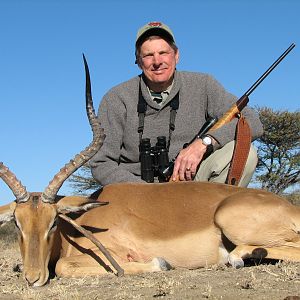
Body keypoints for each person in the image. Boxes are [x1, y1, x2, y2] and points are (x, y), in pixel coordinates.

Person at [90, 21, 263, 187]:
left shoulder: (203, 84)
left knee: (245, 152)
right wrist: (144, 192)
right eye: (148, 55)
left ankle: (208, 214)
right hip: (136, 195)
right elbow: (101, 163)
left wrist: (205, 143)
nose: (157, 61)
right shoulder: (116, 98)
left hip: (193, 186)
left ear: (177, 55)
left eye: (163, 53)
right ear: (138, 61)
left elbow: (252, 123)